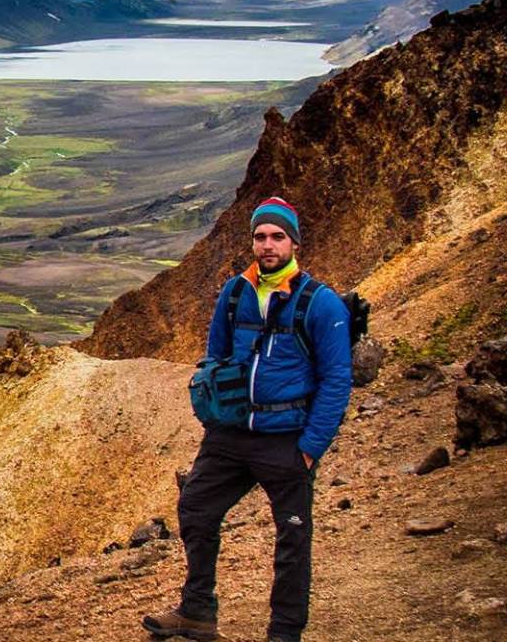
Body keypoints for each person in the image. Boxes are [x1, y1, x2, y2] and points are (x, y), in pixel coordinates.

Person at [143, 197, 354, 642]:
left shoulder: (321, 304)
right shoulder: (235, 292)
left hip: (287, 438)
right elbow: (216, 355)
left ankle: (284, 633)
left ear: (294, 242)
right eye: (260, 236)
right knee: (196, 509)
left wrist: (311, 447)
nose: (267, 245)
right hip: (232, 435)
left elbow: (337, 380)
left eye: (277, 236)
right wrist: (215, 413)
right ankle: (197, 612)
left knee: (292, 537)